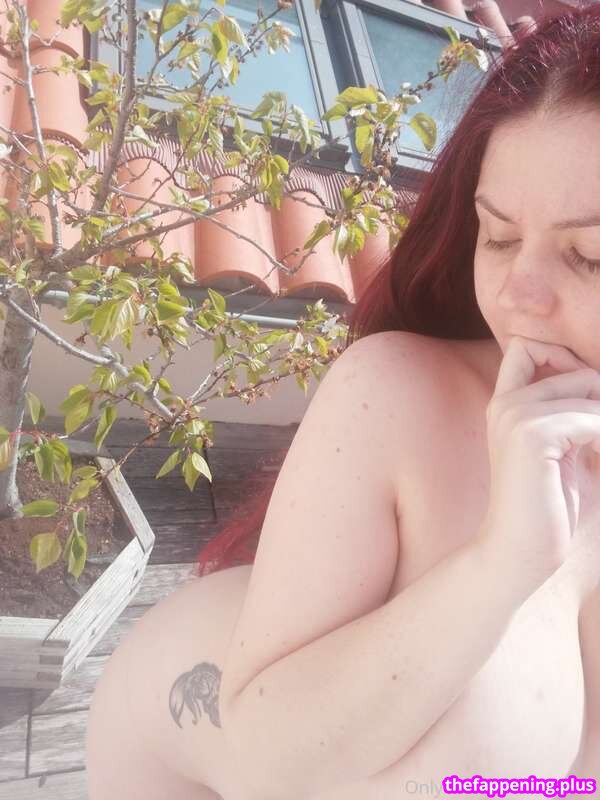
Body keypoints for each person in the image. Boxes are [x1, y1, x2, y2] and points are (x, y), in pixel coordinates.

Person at [85, 4, 600, 799]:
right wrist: (502, 561)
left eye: (589, 255)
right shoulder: (393, 394)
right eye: (496, 237)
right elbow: (269, 765)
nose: (516, 294)